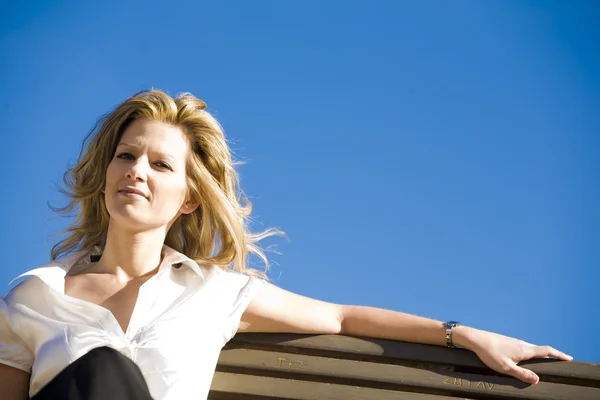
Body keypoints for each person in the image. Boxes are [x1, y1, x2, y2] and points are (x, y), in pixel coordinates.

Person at [0, 90, 571, 400]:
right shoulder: (35, 296)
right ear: (105, 174)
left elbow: (343, 319)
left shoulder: (213, 293)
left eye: (159, 164)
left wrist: (462, 333)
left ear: (190, 199)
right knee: (98, 369)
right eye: (125, 156)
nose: (136, 172)